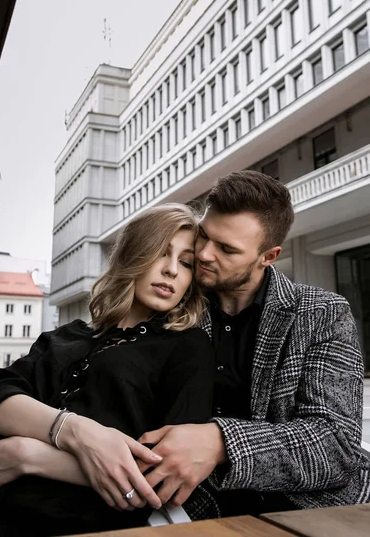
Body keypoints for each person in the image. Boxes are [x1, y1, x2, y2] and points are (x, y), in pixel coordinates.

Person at [132, 170, 370, 520]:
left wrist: (220, 442)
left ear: (268, 256)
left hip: (313, 508)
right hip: (192, 509)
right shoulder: (173, 304)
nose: (205, 255)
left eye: (227, 249)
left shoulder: (323, 312)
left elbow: (336, 444)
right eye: (204, 237)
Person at [0, 203, 215, 537]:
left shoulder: (189, 347)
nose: (172, 270)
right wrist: (79, 433)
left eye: (186, 262)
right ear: (132, 255)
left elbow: (162, 471)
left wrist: (27, 455)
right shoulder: (64, 337)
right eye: (160, 253)